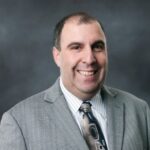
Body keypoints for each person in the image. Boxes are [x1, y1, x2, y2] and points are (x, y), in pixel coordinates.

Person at [0, 12, 149, 150]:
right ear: (57, 56)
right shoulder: (18, 122)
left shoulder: (140, 111)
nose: (89, 59)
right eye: (76, 47)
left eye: (97, 47)